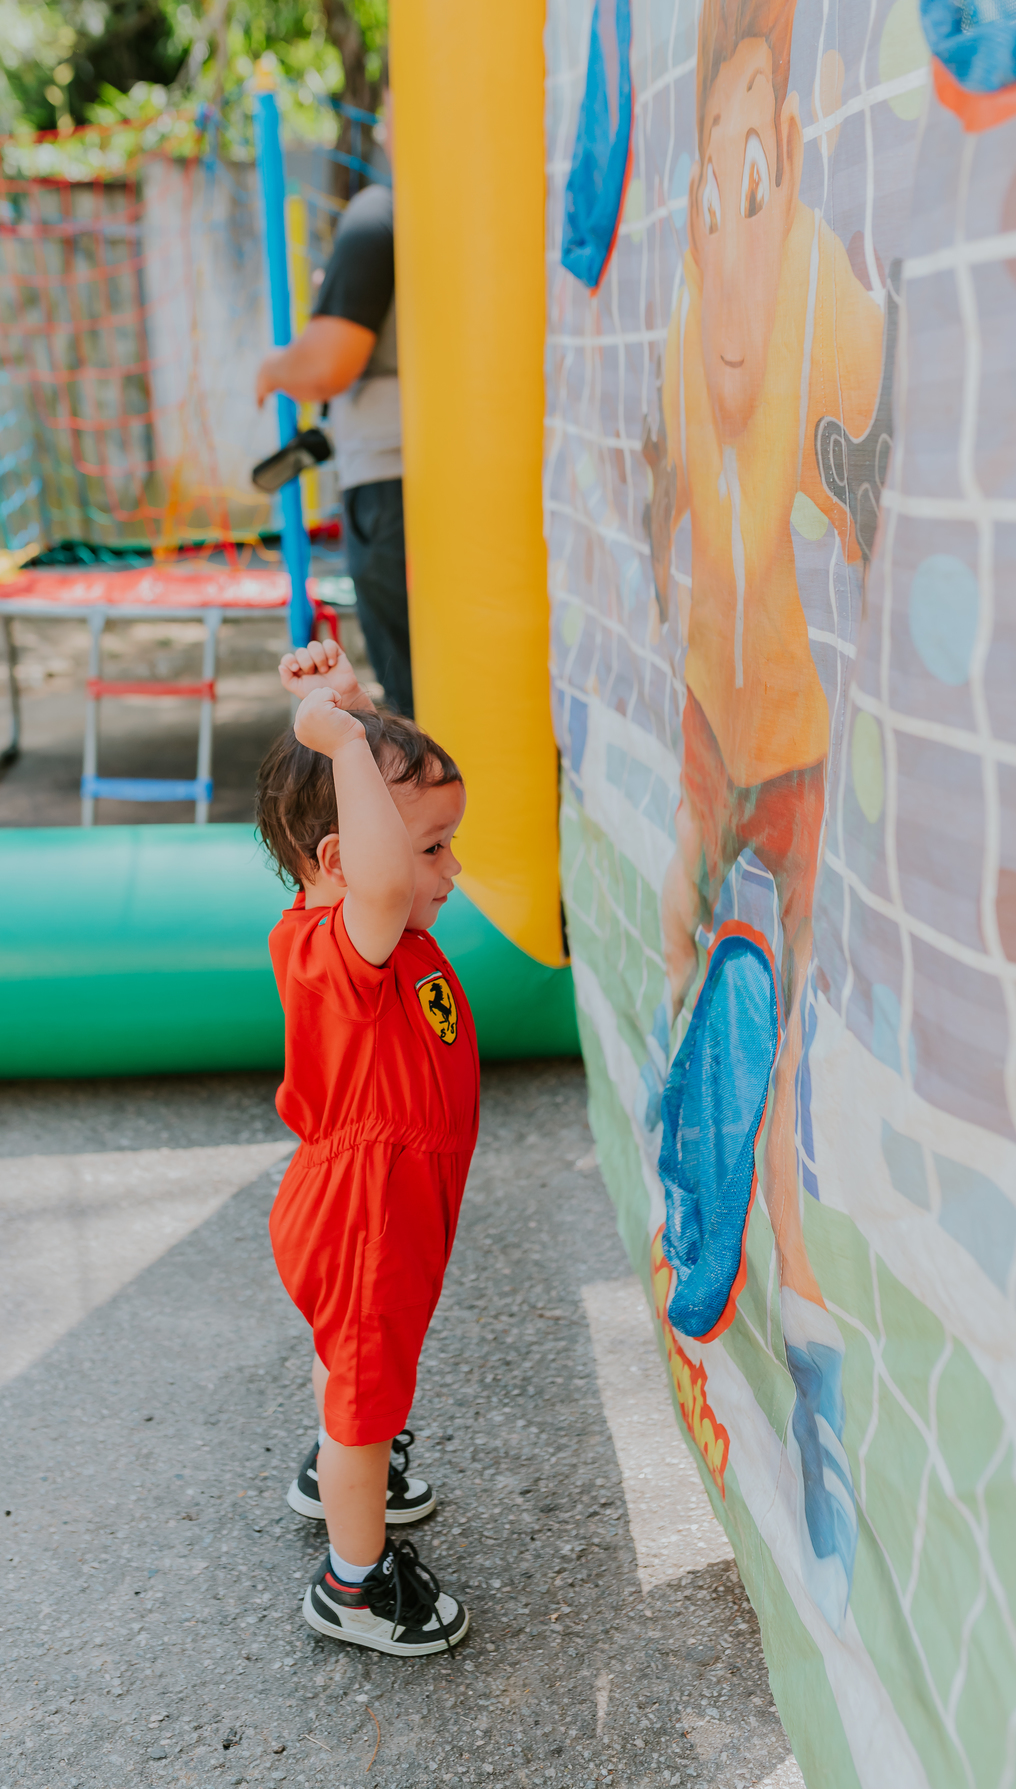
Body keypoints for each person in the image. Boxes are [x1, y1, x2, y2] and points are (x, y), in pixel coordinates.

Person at [641, 0, 886, 1633]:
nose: (735, 201)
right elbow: (671, 492)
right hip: (710, 736)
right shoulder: (689, 304)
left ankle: (812, 1392)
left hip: (786, 744)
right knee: (698, 1000)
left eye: (756, 156)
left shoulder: (815, 289)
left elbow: (851, 492)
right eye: (713, 170)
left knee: (776, 1060)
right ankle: (719, 1323)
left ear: (786, 148)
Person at [255, 635, 476, 1654]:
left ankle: (346, 1463)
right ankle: (353, 1582)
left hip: (371, 1201)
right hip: (364, 1216)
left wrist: (354, 712)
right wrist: (343, 745)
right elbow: (382, 876)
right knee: (362, 1387)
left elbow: (374, 843)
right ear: (345, 861)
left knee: (355, 1370)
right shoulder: (348, 942)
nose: (451, 866)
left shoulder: (345, 916)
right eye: (431, 847)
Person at [255, 87, 412, 718]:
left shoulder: (379, 215)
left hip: (393, 485)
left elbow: (324, 366)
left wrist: (273, 368)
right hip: (432, 480)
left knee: (411, 698)